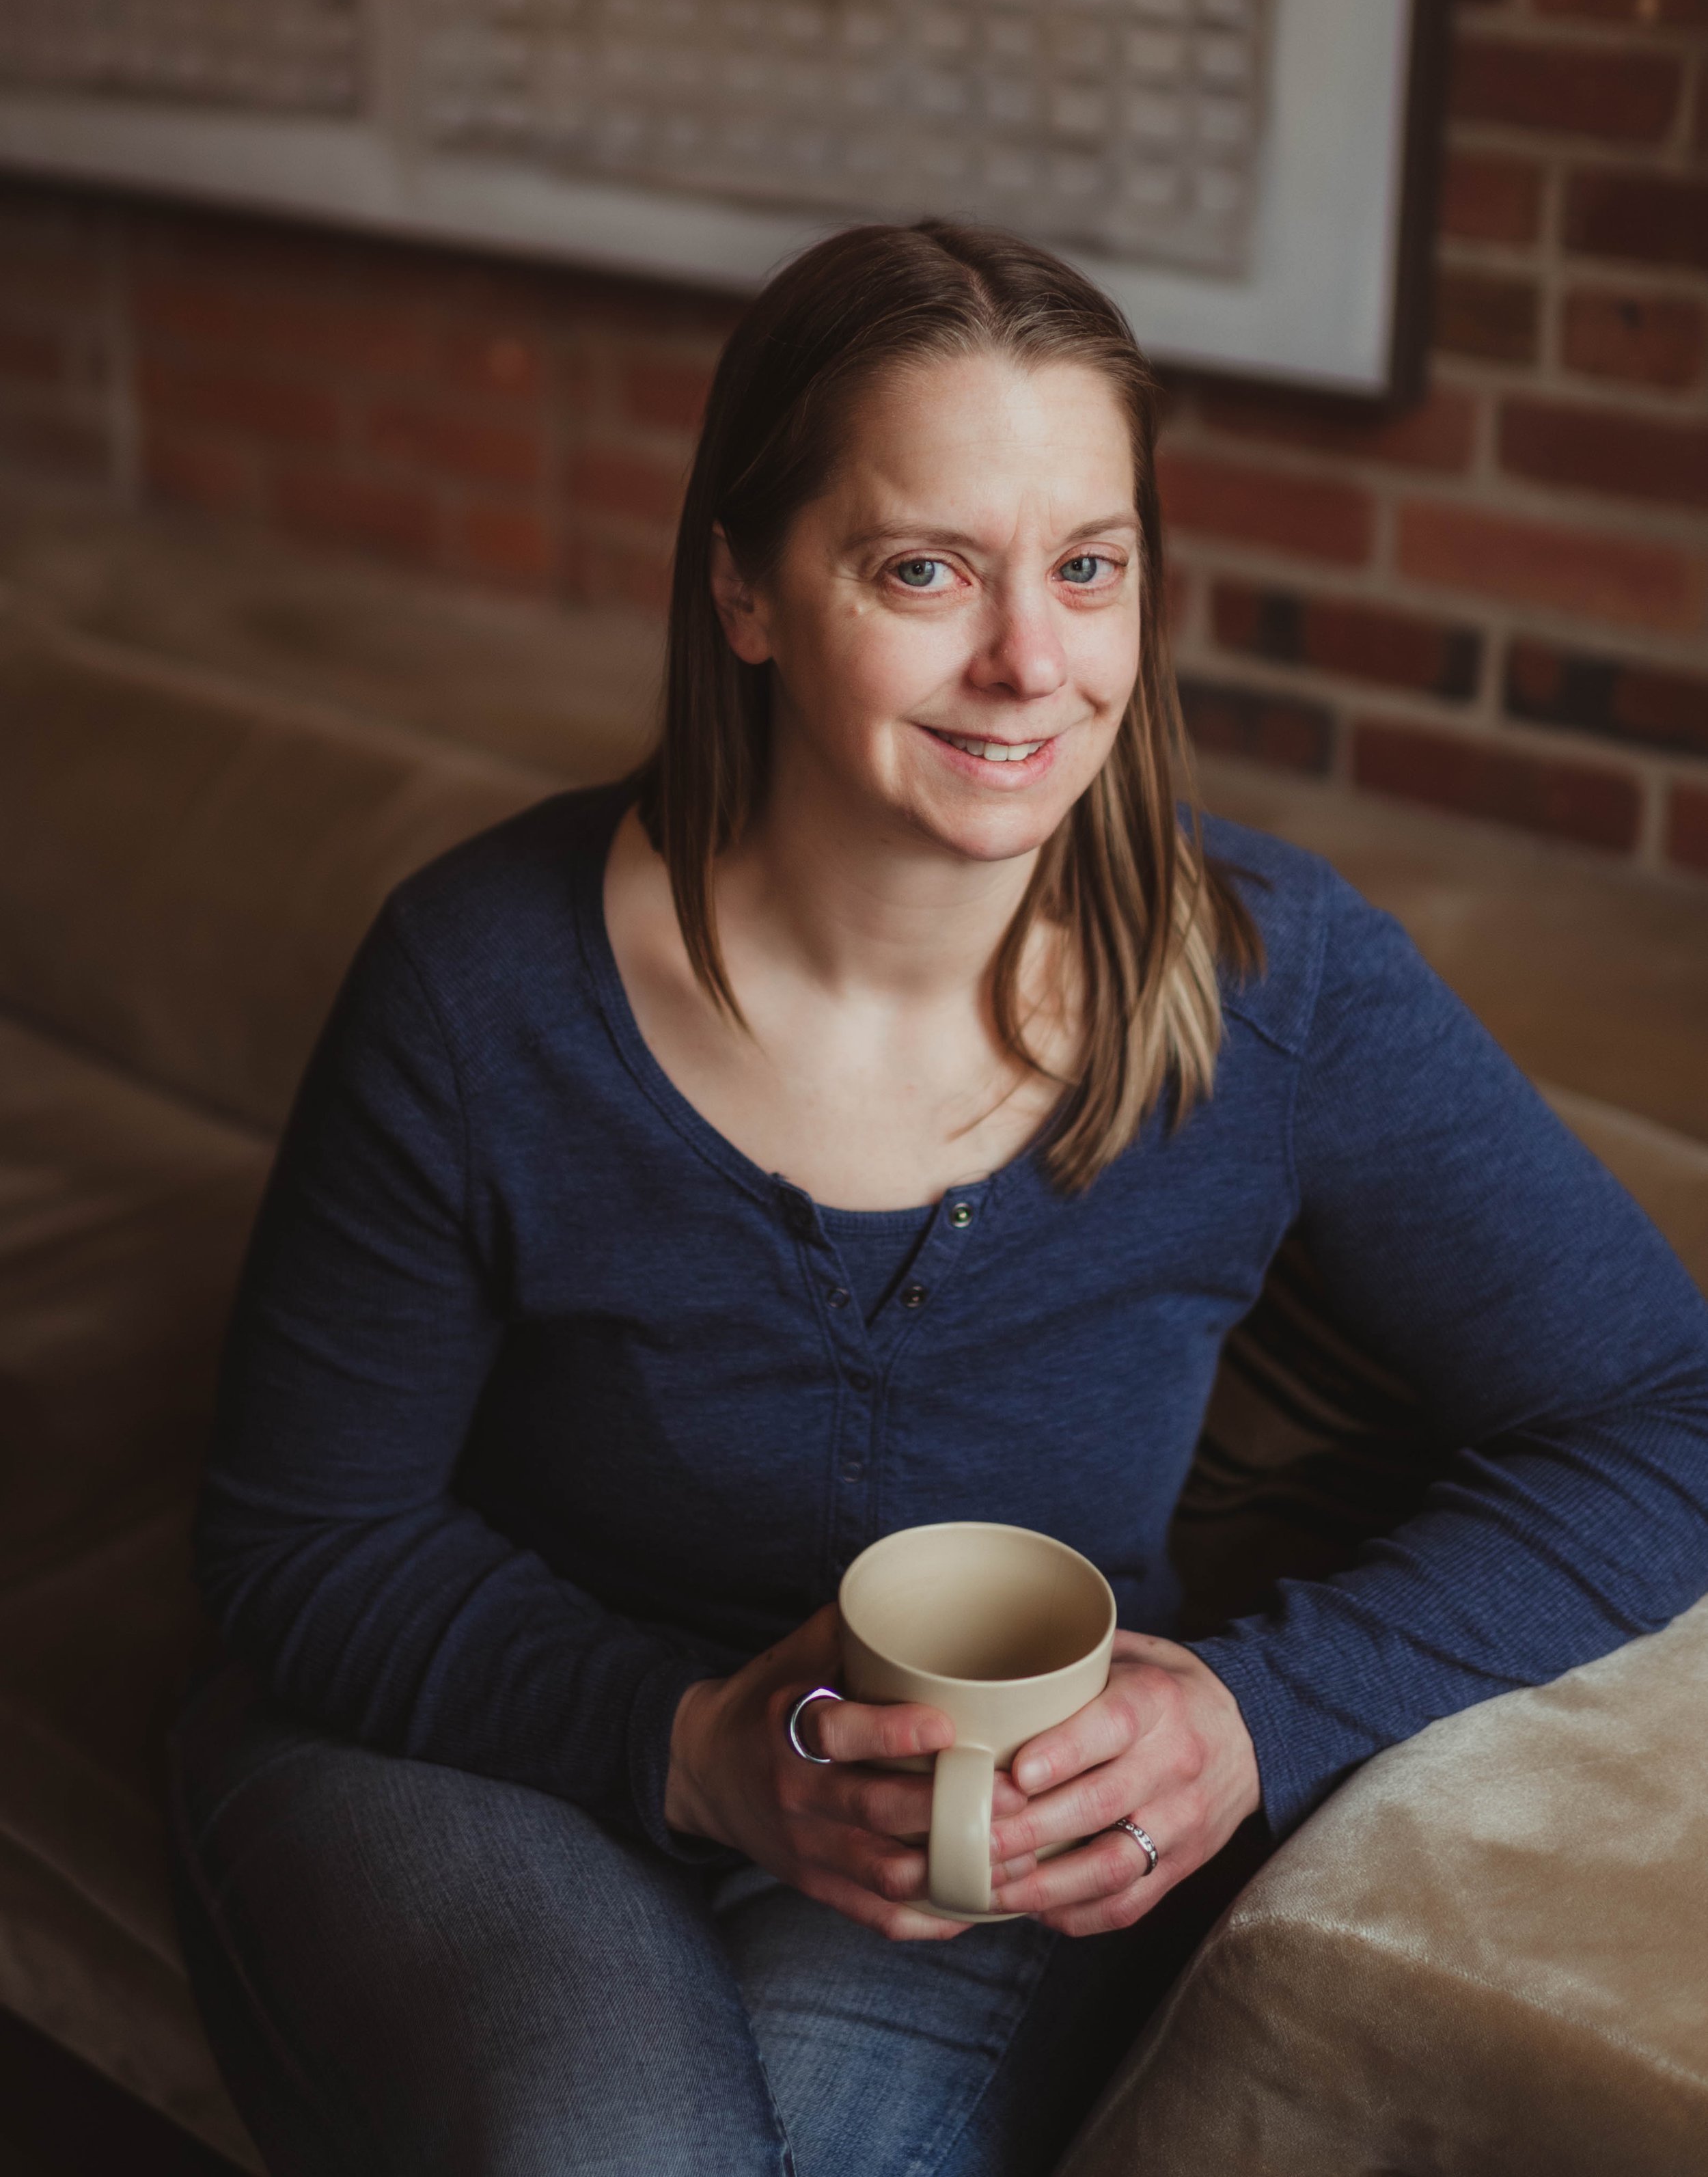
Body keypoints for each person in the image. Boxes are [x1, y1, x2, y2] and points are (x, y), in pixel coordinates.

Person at [169, 221, 1708, 2177]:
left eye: (1086, 566)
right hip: (480, 1741)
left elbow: (1662, 1414)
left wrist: (1255, 1714)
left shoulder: (1275, 989)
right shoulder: (480, 985)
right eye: (922, 569)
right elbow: (307, 1540)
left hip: (980, 1804)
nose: (1028, 665)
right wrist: (692, 1746)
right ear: (742, 586)